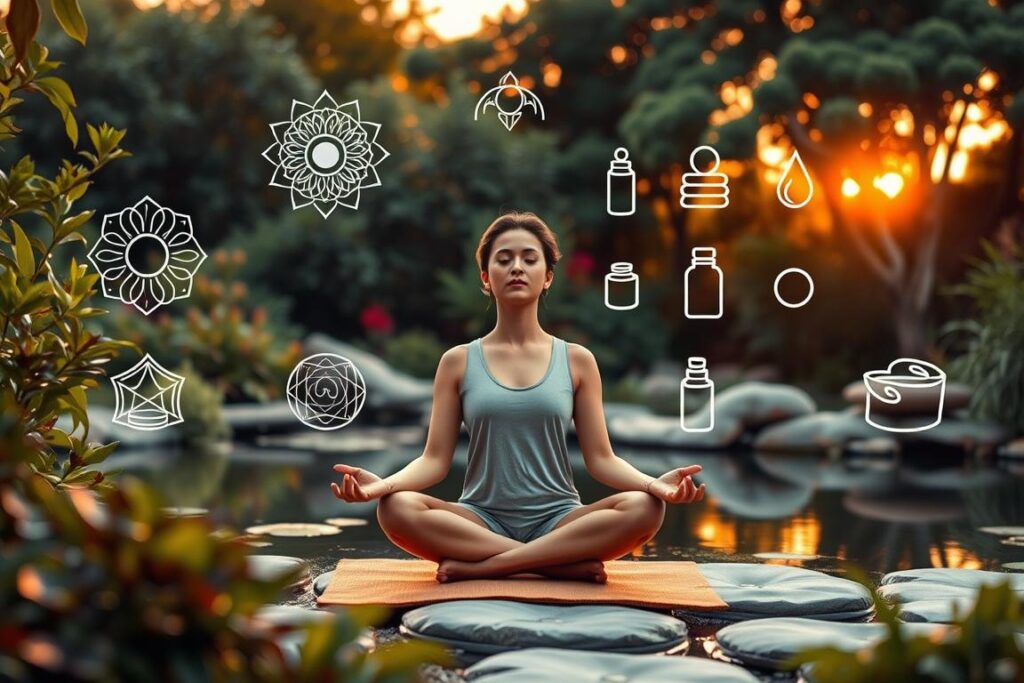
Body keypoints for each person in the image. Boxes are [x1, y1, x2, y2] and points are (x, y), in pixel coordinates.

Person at [331, 212, 705, 584]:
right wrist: (381, 486)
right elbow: (433, 461)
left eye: (529, 259)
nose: (516, 268)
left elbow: (602, 460)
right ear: (485, 277)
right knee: (395, 508)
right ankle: (555, 563)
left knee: (645, 508)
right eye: (504, 259)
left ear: (548, 277)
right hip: (479, 519)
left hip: (560, 519)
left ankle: (491, 565)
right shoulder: (457, 362)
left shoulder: (577, 360)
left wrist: (654, 484)